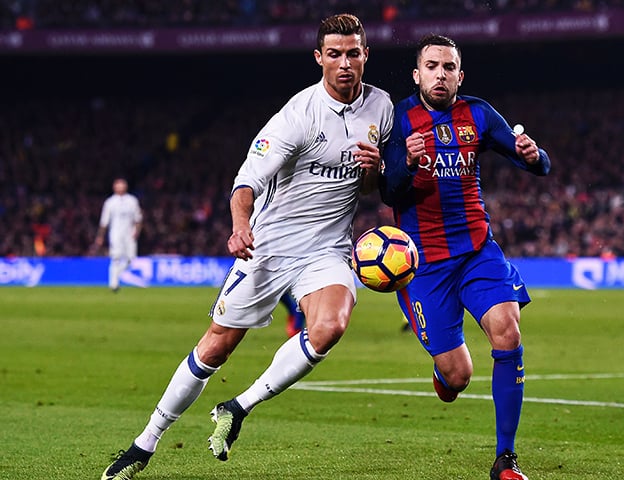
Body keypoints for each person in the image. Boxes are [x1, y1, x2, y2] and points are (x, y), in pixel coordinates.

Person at [101, 13, 393, 479]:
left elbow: (372, 188)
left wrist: (376, 170)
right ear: (319, 58)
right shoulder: (297, 115)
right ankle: (145, 443)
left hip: (328, 250)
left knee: (330, 327)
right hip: (269, 247)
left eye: (352, 53)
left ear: (365, 56)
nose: (344, 64)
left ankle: (237, 407)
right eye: (334, 54)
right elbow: (245, 182)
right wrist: (240, 227)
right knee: (216, 348)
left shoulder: (381, 107)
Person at [380, 34, 551, 480]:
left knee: (507, 333)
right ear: (417, 74)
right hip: (423, 265)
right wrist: (408, 163)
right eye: (432, 66)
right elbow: (389, 189)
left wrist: (534, 156)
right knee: (457, 377)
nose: (441, 74)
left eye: (449, 67)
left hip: (477, 250)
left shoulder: (477, 112)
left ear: (460, 74)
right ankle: (444, 372)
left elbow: (537, 163)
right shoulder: (398, 118)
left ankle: (505, 459)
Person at [94, 178, 143, 292]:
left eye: (122, 185)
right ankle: (113, 284)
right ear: (114, 187)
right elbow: (104, 222)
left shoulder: (132, 200)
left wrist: (137, 231)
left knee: (131, 258)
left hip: (129, 234)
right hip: (115, 233)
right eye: (118, 186)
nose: (120, 188)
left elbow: (138, 218)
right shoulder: (110, 202)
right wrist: (100, 236)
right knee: (115, 257)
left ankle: (116, 275)